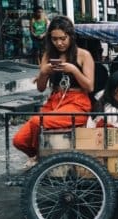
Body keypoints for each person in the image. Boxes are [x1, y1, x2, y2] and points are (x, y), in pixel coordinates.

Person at [13, 16, 94, 168]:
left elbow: (90, 87)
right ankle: (37, 157)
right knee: (19, 140)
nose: (59, 43)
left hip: (77, 103)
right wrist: (43, 72)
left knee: (38, 121)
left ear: (70, 36)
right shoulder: (48, 55)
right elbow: (41, 88)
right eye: (55, 39)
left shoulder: (83, 55)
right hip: (55, 101)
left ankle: (40, 159)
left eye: (63, 38)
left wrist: (74, 70)